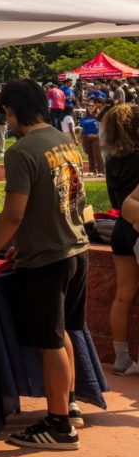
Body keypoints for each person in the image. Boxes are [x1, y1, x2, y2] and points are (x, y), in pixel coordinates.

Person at [0, 79, 88, 450]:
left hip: (48, 260)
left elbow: (13, 213)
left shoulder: (21, 151)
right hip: (75, 249)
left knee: (49, 342)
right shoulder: (64, 140)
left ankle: (59, 425)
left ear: (10, 110)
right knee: (62, 331)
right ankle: (67, 404)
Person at [99, 105, 139, 374]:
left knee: (122, 296)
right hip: (135, 227)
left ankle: (121, 357)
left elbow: (116, 201)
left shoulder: (112, 161)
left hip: (120, 230)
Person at [81, 100, 104, 176]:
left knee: (97, 154)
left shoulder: (99, 117)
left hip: (96, 137)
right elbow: (82, 129)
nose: (90, 107)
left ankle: (101, 171)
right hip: (85, 137)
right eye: (89, 105)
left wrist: (97, 135)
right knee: (90, 155)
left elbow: (102, 128)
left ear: (95, 107)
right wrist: (80, 138)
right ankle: (92, 170)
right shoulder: (84, 117)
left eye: (92, 105)